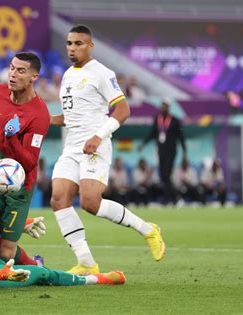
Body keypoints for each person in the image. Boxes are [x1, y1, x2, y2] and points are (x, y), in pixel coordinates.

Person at [49, 25, 165, 276]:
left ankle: (148, 230)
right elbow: (71, 117)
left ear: (90, 46)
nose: (72, 48)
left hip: (96, 144)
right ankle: (87, 262)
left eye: (79, 43)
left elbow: (123, 110)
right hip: (72, 146)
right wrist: (46, 119)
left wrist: (98, 136)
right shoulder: (68, 75)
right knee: (58, 199)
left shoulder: (101, 72)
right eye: (69, 43)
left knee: (90, 203)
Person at [0, 52, 50, 264]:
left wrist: (11, 137)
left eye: (21, 71)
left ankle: (36, 264)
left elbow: (30, 161)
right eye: (12, 68)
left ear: (34, 77)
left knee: (6, 253)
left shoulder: (40, 115)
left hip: (20, 184)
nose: (13, 74)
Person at [139, 99, 187, 204]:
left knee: (166, 175)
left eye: (165, 106)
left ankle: (174, 198)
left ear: (168, 107)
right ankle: (172, 198)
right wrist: (143, 144)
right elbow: (152, 133)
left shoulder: (174, 120)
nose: (163, 108)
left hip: (171, 151)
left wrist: (184, 151)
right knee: (163, 175)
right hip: (161, 151)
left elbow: (181, 136)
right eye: (162, 106)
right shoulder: (157, 119)